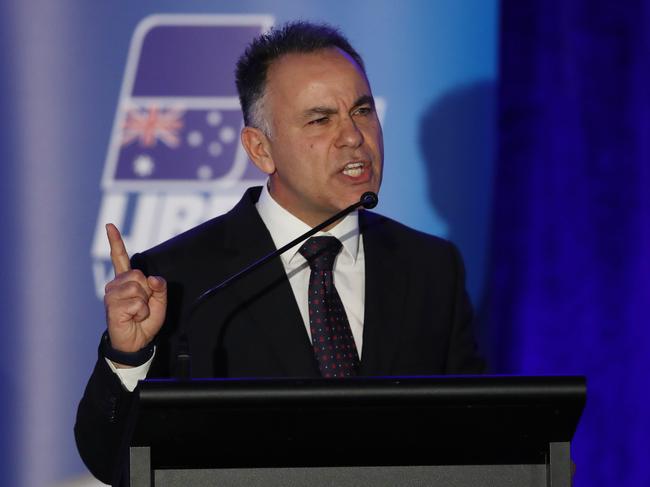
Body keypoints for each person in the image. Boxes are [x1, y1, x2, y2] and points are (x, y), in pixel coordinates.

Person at [75, 21, 484, 484]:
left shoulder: (431, 267)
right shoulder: (177, 279)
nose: (353, 137)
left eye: (362, 110)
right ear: (260, 149)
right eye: (320, 119)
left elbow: (478, 435)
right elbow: (113, 461)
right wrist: (128, 358)